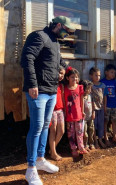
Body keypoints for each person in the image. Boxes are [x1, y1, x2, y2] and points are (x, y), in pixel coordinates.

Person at [21, 16, 74, 185]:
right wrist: (32, 84)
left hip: (51, 90)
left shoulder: (55, 41)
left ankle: (40, 159)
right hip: (38, 90)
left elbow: (58, 62)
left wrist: (70, 70)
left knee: (45, 126)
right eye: (66, 29)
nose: (67, 33)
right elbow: (27, 58)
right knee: (36, 127)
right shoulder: (39, 36)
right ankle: (30, 169)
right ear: (59, 25)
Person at [64, 67, 88, 159]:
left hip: (78, 113)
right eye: (72, 77)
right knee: (71, 132)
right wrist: (65, 113)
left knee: (79, 131)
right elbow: (64, 101)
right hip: (69, 114)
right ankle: (73, 148)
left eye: (77, 77)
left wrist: (82, 111)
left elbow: (81, 100)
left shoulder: (80, 87)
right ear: (67, 78)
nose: (75, 79)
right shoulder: (65, 89)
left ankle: (81, 147)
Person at [49, 66, 65, 161]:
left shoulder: (61, 85)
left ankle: (52, 149)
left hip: (60, 110)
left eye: (63, 74)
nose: (61, 76)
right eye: (59, 73)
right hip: (52, 111)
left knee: (61, 131)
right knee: (53, 131)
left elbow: (62, 98)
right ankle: (53, 153)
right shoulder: (50, 85)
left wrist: (64, 110)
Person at [101, 64, 116, 145]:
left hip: (114, 104)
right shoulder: (102, 82)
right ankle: (106, 137)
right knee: (105, 121)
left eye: (114, 73)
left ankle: (115, 137)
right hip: (106, 105)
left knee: (114, 121)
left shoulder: (114, 81)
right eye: (111, 72)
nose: (113, 74)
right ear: (106, 72)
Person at [89, 67, 106, 148]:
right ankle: (95, 141)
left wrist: (105, 107)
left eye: (99, 75)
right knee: (94, 125)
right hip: (94, 109)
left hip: (101, 108)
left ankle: (100, 140)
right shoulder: (90, 86)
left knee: (101, 125)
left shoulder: (103, 85)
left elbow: (105, 96)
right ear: (91, 76)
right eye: (96, 75)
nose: (98, 77)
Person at [79, 80, 95, 150]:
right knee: (84, 132)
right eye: (88, 88)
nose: (89, 90)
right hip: (84, 119)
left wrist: (93, 112)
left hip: (90, 116)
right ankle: (85, 144)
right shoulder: (81, 97)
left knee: (91, 130)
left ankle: (91, 143)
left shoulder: (90, 96)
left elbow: (92, 105)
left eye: (90, 88)